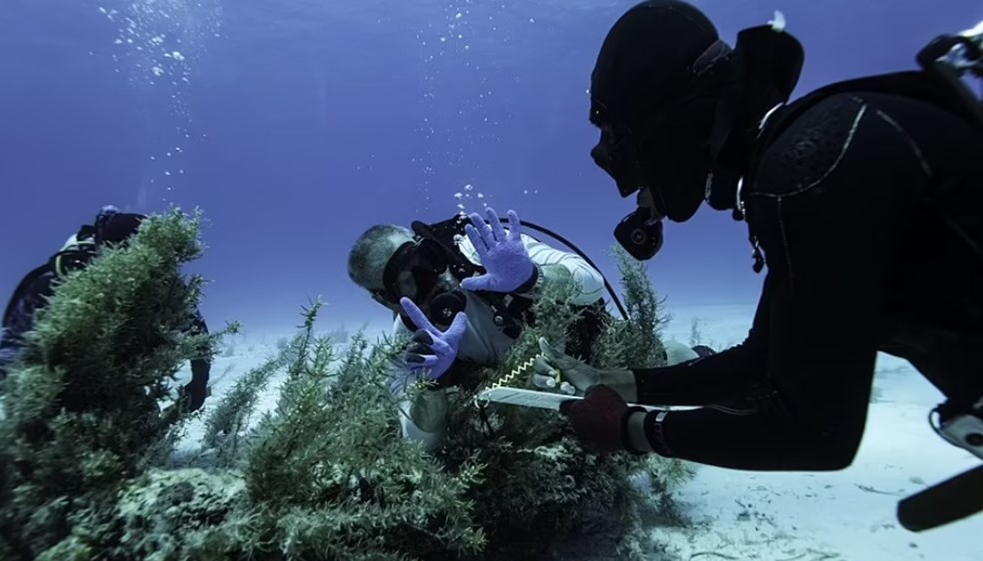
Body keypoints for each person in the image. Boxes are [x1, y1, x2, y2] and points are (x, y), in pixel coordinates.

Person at [532, 0, 983, 496]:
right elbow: (760, 364)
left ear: (664, 125)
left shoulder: (805, 172)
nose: (630, 187)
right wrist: (613, 380)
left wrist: (631, 430)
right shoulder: (815, 153)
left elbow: (816, 432)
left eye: (621, 141)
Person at [348, 208, 700, 451]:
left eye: (426, 263)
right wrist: (432, 384)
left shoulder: (482, 250)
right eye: (408, 283)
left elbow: (590, 281)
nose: (432, 282)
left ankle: (708, 364)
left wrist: (532, 277)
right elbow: (420, 442)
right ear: (385, 300)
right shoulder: (408, 346)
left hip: (592, 352)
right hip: (541, 413)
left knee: (674, 365)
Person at [0, 205, 211, 412]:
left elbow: (196, 329)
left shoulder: (165, 284)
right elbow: (12, 349)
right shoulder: (57, 282)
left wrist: (199, 380)